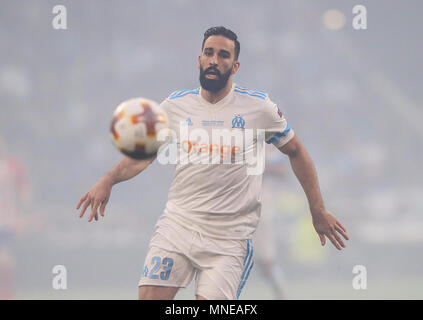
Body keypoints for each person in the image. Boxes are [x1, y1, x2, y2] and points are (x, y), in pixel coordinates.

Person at [77, 26, 349, 300]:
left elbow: (297, 151)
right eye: (209, 53)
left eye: (223, 55)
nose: (214, 61)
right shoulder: (174, 106)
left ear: (235, 65)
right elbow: (144, 156)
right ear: (199, 59)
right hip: (178, 227)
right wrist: (108, 179)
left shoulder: (259, 108)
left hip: (229, 239)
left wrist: (317, 210)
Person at [0, 137, 30, 299]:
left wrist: (22, 217)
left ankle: (8, 294)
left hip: (6, 222)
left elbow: (24, 193)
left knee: (5, 260)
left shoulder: (13, 166)